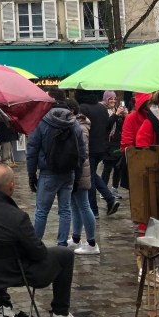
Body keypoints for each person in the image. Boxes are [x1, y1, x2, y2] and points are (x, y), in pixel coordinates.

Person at [0, 164, 90, 317]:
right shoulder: (17, 218)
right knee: (64, 254)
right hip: (13, 273)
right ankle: (60, 315)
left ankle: (5, 307)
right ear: (11, 186)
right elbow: (40, 254)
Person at [26, 103, 84, 247]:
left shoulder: (43, 122)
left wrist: (31, 174)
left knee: (41, 211)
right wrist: (78, 176)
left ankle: (36, 244)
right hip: (68, 172)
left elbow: (32, 149)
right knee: (65, 210)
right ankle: (62, 243)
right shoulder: (74, 124)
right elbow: (82, 153)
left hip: (48, 172)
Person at [64, 99, 99, 255]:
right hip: (74, 170)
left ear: (71, 110)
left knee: (84, 205)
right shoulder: (75, 124)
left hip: (80, 170)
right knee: (75, 205)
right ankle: (76, 238)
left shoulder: (80, 126)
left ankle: (92, 243)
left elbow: (81, 150)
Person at [79, 92, 119, 216]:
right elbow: (108, 127)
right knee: (92, 175)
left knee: (89, 178)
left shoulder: (83, 108)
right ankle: (109, 199)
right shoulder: (101, 108)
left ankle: (95, 209)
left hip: (89, 148)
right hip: (101, 148)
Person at [101, 92, 127, 193]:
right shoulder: (103, 110)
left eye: (114, 98)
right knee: (108, 168)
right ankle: (103, 191)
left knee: (118, 167)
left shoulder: (116, 110)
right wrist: (116, 115)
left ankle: (114, 189)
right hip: (108, 143)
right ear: (106, 99)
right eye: (110, 98)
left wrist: (125, 116)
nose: (113, 101)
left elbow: (122, 127)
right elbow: (106, 126)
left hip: (118, 143)